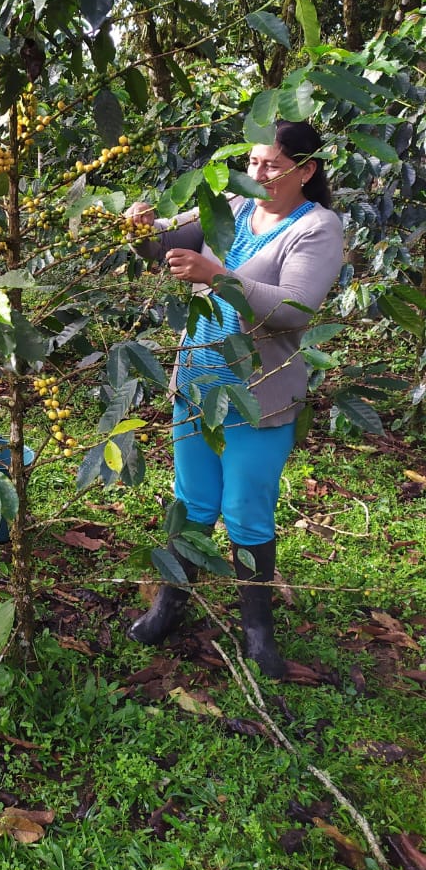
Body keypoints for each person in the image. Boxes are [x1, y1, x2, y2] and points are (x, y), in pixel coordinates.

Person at [127, 120, 344, 678]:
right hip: (197, 382)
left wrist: (219, 274)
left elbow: (296, 309)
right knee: (192, 501)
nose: (258, 173)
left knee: (246, 513)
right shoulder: (231, 204)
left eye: (272, 164)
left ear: (306, 170)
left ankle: (258, 632)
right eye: (252, 163)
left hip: (258, 395)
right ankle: (169, 606)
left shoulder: (317, 228)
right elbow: (164, 242)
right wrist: (139, 226)